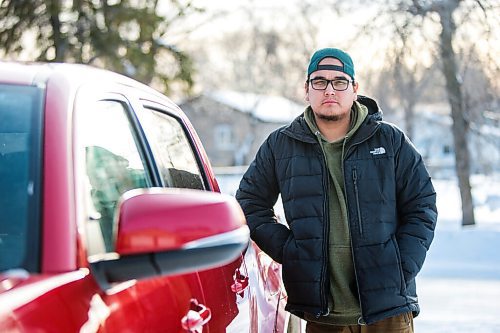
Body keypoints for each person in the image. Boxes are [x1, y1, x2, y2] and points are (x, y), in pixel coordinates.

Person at [235, 48, 437, 332]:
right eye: (319, 81)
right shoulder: (281, 145)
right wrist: (292, 251)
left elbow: (422, 204)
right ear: (306, 90)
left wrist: (400, 266)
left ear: (354, 89)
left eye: (339, 81)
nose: (329, 89)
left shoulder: (390, 141)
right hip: (322, 316)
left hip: (387, 312)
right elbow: (249, 203)